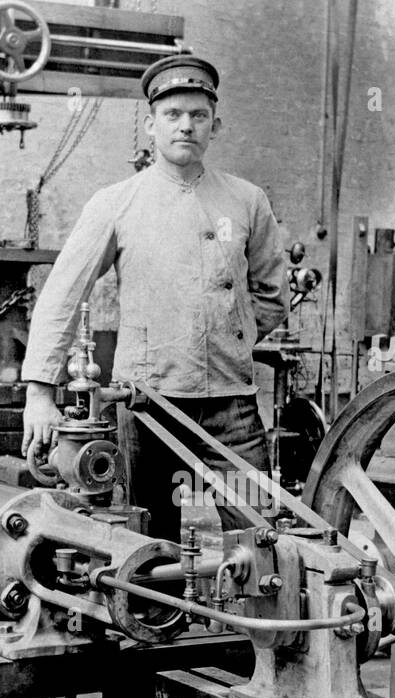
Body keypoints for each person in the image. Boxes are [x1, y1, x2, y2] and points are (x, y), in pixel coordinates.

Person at [20, 54, 287, 539]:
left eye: (198, 116)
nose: (186, 126)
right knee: (147, 541)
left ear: (215, 126)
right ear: (151, 125)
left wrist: (229, 337)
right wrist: (39, 393)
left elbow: (271, 295)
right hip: (147, 406)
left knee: (257, 538)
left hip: (232, 408)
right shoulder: (116, 203)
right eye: (173, 115)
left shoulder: (247, 201)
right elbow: (62, 295)